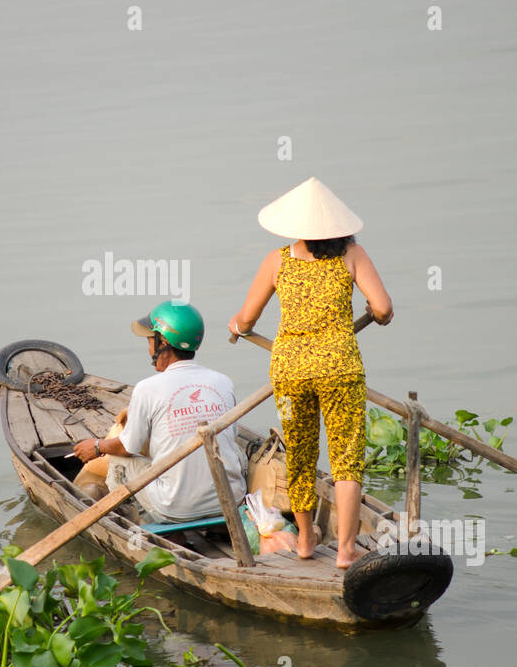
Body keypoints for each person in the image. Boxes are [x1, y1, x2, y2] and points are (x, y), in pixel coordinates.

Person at [227, 176, 393, 569]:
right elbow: (383, 308)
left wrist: (237, 327)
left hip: (291, 370)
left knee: (300, 455)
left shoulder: (277, 260)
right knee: (346, 460)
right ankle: (347, 550)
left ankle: (304, 539)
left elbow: (246, 320)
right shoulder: (352, 255)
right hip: (340, 369)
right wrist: (375, 316)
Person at [71, 301, 247, 523]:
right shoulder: (224, 382)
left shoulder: (147, 388)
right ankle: (216, 522)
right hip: (231, 500)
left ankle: (144, 519)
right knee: (237, 451)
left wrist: (97, 447)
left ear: (163, 343)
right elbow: (231, 433)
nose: (148, 348)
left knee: (118, 460)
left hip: (174, 508)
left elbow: (127, 447)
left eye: (149, 341)